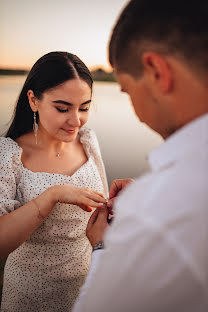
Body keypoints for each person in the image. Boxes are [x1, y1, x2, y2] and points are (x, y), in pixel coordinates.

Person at [72, 0, 208, 311]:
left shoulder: (153, 214)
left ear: (157, 72)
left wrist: (104, 246)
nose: (135, 109)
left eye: (127, 90)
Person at [0, 51, 109, 312]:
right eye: (62, 108)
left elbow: (102, 206)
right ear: (33, 100)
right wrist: (51, 196)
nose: (76, 121)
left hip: (86, 283)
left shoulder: (88, 140)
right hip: (30, 294)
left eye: (84, 107)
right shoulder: (9, 154)